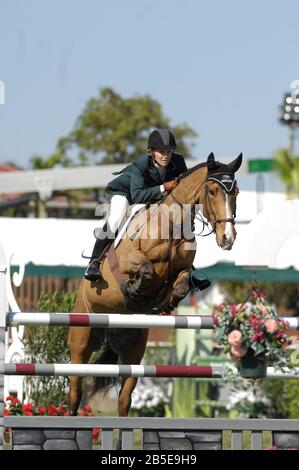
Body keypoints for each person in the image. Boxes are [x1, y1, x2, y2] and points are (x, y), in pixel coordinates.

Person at [85, 129, 187, 281]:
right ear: (151, 151)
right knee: (116, 220)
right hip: (126, 193)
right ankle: (93, 262)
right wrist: (164, 187)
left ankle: (186, 268)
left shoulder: (178, 161)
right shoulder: (141, 165)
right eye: (161, 151)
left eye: (169, 151)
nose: (166, 155)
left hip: (152, 194)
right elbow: (138, 196)